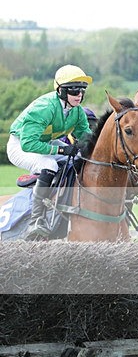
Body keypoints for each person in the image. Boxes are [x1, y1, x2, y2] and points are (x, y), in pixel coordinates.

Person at [7, 64, 93, 239]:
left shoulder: (76, 112)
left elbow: (86, 137)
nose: (79, 95)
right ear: (61, 90)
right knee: (49, 164)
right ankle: (35, 220)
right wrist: (62, 148)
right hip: (20, 145)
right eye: (74, 91)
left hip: (43, 142)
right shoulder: (44, 108)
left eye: (82, 90)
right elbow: (29, 144)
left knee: (77, 158)